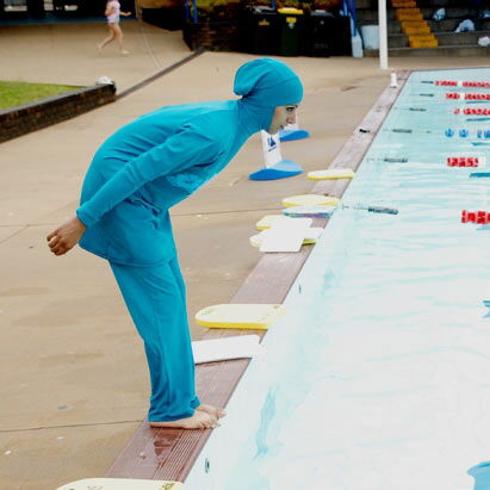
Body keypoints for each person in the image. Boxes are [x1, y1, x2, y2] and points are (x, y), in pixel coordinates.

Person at [46, 58, 303, 430]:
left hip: (145, 203)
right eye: (289, 108)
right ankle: (169, 410)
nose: (292, 119)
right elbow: (135, 169)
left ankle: (182, 400)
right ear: (268, 103)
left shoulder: (231, 122)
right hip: (122, 200)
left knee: (172, 296)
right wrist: (83, 219)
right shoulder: (215, 132)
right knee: (161, 306)